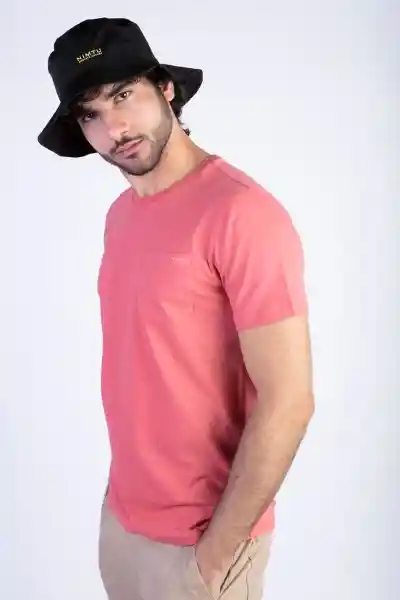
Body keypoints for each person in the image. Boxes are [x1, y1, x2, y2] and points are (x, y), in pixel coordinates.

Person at [38, 17, 314, 600]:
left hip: (202, 543)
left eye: (123, 95)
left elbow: (289, 401)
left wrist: (214, 557)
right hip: (123, 524)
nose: (113, 128)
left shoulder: (242, 215)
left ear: (165, 88)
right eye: (90, 114)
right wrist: (119, 502)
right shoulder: (121, 216)